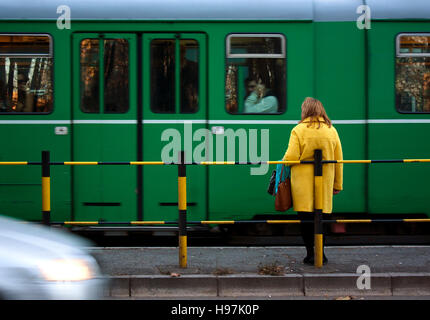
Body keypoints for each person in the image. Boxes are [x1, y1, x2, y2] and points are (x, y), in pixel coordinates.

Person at [282, 97, 343, 265]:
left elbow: (291, 157)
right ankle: (321, 254)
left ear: (305, 110)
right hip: (325, 183)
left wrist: (285, 160)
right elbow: (338, 160)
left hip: (303, 185)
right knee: (321, 219)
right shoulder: (332, 130)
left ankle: (310, 254)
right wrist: (337, 184)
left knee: (306, 220)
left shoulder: (298, 130)